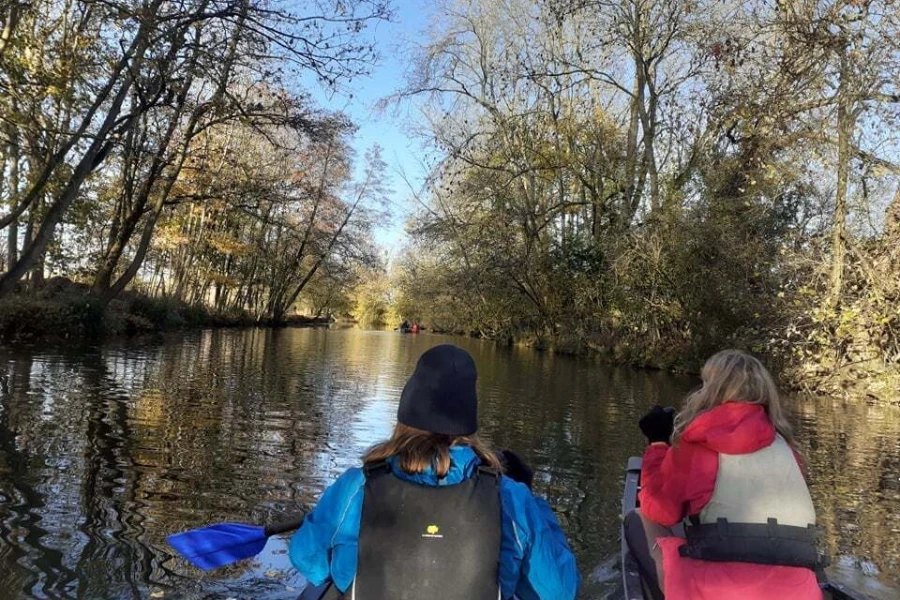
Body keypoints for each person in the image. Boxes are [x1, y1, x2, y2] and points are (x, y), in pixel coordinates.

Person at [289, 344, 580, 600]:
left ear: (406, 410)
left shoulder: (356, 486)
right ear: (469, 420)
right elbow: (559, 592)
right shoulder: (511, 496)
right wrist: (534, 504)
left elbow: (306, 560)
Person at [624, 349, 824, 600]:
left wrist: (657, 444)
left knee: (638, 517)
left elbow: (660, 510)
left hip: (715, 592)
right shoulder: (789, 451)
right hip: (799, 593)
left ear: (711, 391)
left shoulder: (698, 444)